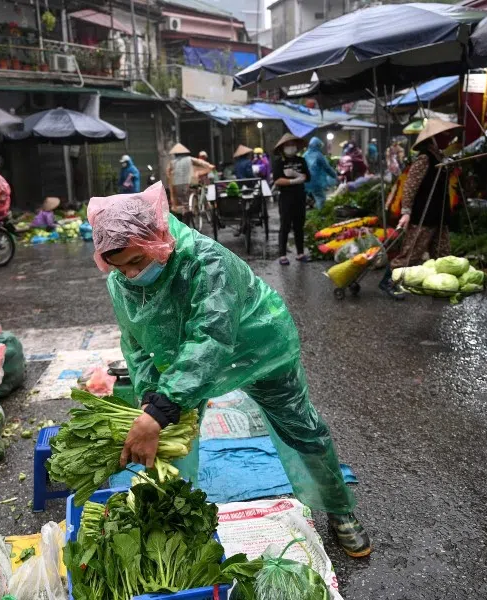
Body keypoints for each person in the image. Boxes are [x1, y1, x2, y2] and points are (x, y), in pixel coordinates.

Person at [87, 182, 371, 558]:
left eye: (137, 262)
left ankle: (338, 508)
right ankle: (172, 516)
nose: (131, 274)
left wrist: (160, 411)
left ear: (158, 238)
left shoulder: (207, 261)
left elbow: (211, 337)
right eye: (119, 267)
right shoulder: (120, 282)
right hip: (185, 360)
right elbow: (138, 342)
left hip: (258, 348)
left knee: (300, 427)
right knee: (173, 435)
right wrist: (150, 399)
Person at [379, 119, 462, 300]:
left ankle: (440, 287)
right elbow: (410, 186)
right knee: (412, 254)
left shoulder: (440, 158)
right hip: (423, 215)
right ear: (434, 138)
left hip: (439, 215)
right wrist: (406, 212)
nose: (448, 139)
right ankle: (389, 281)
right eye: (444, 136)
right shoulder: (424, 159)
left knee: (442, 254)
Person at [272, 133, 310, 265]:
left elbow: (307, 177)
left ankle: (300, 253)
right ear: (282, 147)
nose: (291, 147)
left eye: (293, 144)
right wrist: (294, 181)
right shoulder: (279, 163)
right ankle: (282, 255)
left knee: (299, 225)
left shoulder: (301, 161)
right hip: (286, 198)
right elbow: (277, 180)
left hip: (300, 196)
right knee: (285, 225)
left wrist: (297, 175)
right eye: (288, 145)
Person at [165, 143, 213, 225]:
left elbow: (168, 173)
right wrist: (209, 167)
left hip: (176, 185)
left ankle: (180, 222)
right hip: (188, 184)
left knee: (178, 205)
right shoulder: (189, 159)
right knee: (187, 204)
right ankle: (187, 221)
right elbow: (205, 165)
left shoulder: (172, 163)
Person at [303, 137, 337, 209]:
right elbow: (327, 168)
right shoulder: (319, 155)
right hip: (315, 181)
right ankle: (320, 215)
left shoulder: (305, 154)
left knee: (313, 196)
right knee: (321, 198)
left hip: (305, 180)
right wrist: (335, 175)